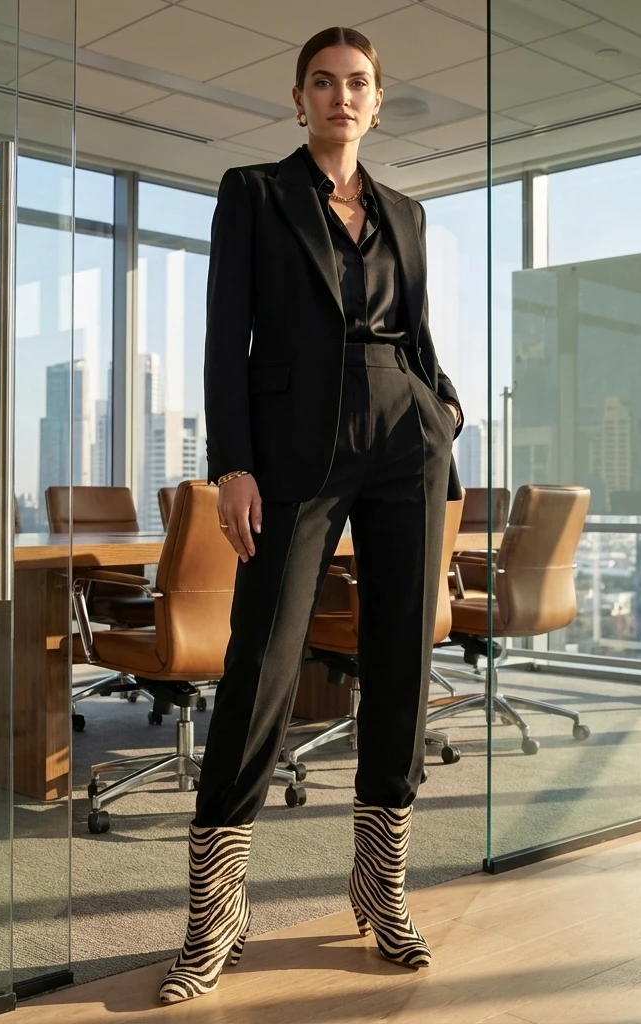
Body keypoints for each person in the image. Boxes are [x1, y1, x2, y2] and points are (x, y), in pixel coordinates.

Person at [159, 25, 463, 1005]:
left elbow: (416, 336)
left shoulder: (408, 214)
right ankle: (217, 912)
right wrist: (233, 464)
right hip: (293, 450)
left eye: (358, 84)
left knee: (402, 664)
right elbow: (224, 337)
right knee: (262, 662)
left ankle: (380, 886)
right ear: (298, 100)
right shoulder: (254, 193)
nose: (341, 97)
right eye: (323, 83)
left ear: (377, 102)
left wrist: (446, 411)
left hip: (404, 444)